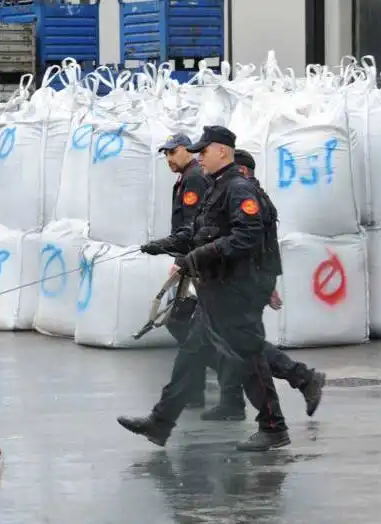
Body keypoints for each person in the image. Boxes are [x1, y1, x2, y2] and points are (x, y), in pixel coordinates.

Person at [118, 125, 290, 452]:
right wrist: (160, 245)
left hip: (234, 288)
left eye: (204, 151)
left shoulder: (238, 189)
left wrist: (197, 256)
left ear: (222, 151)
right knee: (191, 354)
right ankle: (160, 422)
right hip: (216, 288)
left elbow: (246, 237)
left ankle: (274, 425)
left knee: (250, 358)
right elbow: (200, 232)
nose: (199, 156)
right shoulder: (217, 188)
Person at [190, 149, 327, 421]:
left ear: (241, 171)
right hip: (232, 281)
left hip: (241, 283)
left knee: (239, 342)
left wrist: (262, 283)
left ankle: (301, 380)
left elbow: (253, 244)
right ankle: (234, 401)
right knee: (220, 340)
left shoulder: (246, 195)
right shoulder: (237, 194)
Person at [157, 133, 210, 409]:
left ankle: (200, 386)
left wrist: (182, 259)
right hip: (192, 259)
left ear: (187, 150)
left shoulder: (194, 178)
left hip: (196, 262)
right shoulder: (185, 178)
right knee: (187, 324)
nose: (168, 159)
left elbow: (192, 226)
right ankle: (199, 387)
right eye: (165, 154)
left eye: (172, 152)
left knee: (183, 322)